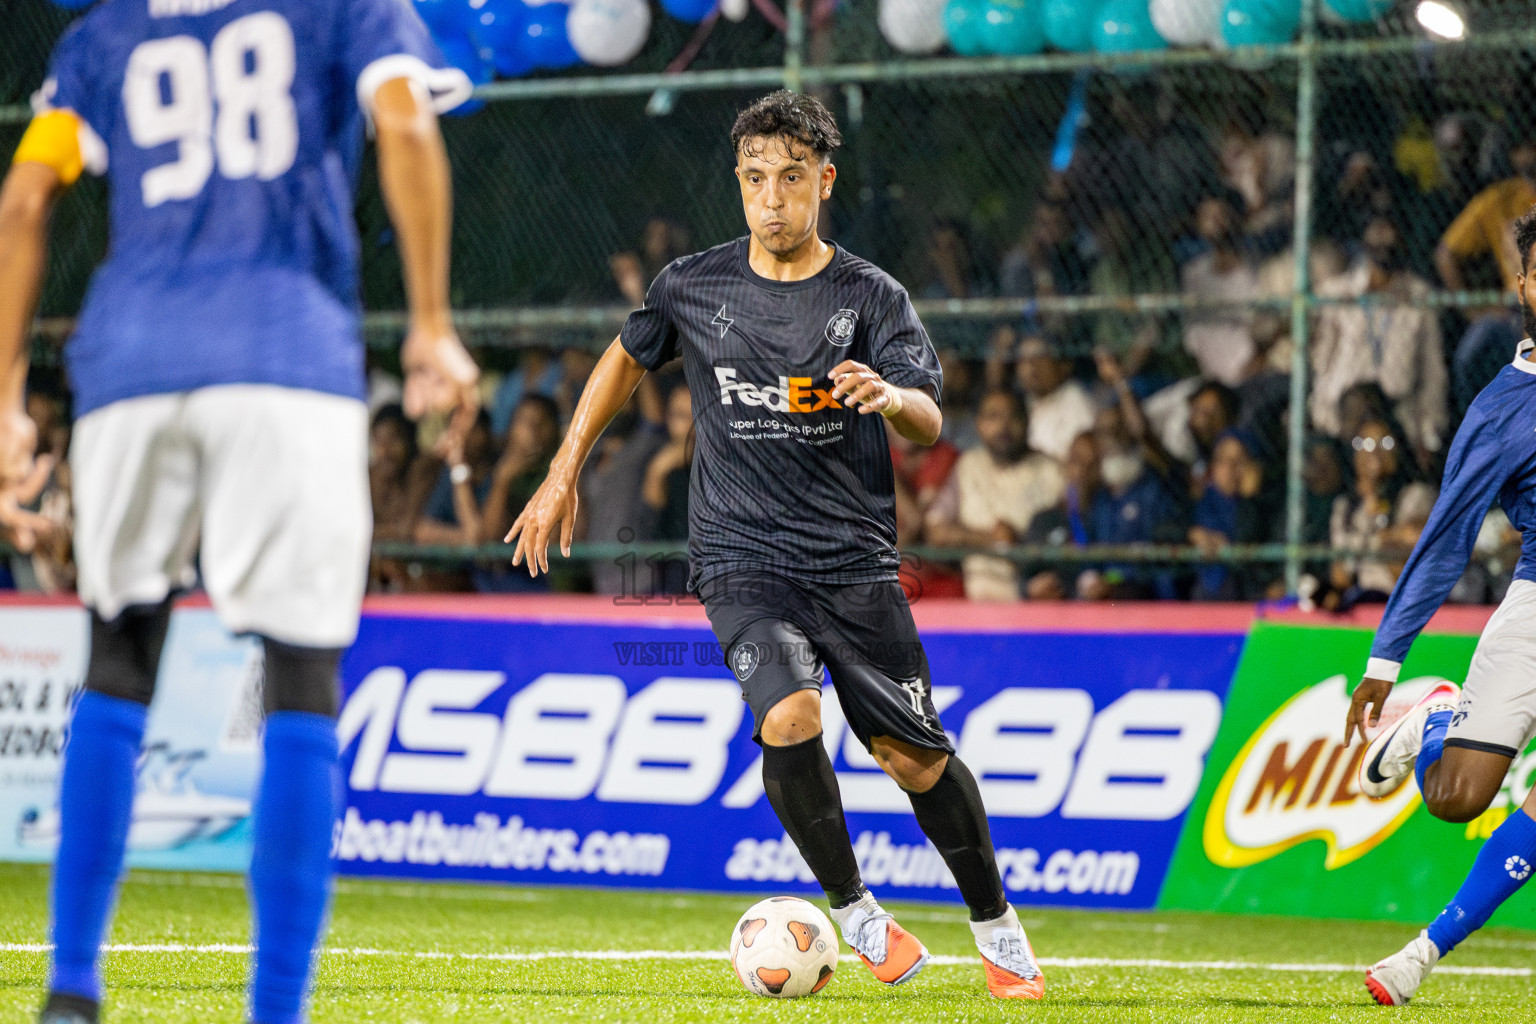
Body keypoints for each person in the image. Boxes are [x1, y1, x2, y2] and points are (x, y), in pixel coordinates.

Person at [505, 91, 1046, 1000]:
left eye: (791, 179)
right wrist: (564, 469)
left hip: (856, 562)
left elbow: (926, 415)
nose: (771, 198)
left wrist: (887, 396)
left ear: (823, 183)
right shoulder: (694, 284)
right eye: (756, 179)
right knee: (789, 716)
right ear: (740, 184)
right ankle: (856, 914)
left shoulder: (872, 297)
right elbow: (626, 357)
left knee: (913, 759)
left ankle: (997, 926)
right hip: (740, 558)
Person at [0, 3, 480, 1022]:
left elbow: (23, 202)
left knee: (117, 659)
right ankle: (274, 1009)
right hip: (286, 356)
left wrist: (3, 391)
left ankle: (71, 990)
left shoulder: (101, 35)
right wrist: (431, 327)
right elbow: (403, 121)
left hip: (128, 365)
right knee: (301, 679)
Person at [1347, 205, 1536, 1007]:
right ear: (1523, 284)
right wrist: (1384, 660)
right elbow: (1446, 538)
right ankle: (1433, 721)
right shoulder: (1504, 407)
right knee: (1455, 798)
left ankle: (1423, 953)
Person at [1311, 217, 1447, 463]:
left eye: (1390, 229)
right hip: (1342, 414)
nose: (1384, 239)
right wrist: (1322, 420)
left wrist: (1428, 432)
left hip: (1394, 416)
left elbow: (1433, 371)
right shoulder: (1339, 293)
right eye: (1377, 231)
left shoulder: (1419, 295)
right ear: (1364, 239)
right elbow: (1323, 363)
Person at [925, 389, 1064, 602]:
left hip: (1038, 604)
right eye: (993, 417)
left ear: (1027, 420)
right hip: (978, 604)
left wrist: (1019, 544)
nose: (1004, 426)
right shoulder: (968, 466)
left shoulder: (1052, 471)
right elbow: (937, 531)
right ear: (979, 424)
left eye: (1013, 416)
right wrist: (990, 539)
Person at [1180, 189, 1261, 388]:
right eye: (1207, 216)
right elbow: (1193, 336)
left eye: (1221, 215)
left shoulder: (1257, 270)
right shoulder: (1193, 274)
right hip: (1210, 377)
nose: (1215, 222)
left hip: (1252, 374)